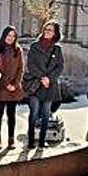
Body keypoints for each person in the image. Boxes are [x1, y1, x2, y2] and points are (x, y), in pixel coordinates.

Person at [24, 21, 64, 149]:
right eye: (46, 29)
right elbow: (30, 65)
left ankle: (42, 142)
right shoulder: (34, 46)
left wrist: (49, 79)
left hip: (50, 86)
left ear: (55, 33)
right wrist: (42, 77)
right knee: (34, 113)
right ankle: (31, 141)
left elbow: (60, 67)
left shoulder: (57, 49)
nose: (47, 31)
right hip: (35, 85)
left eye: (50, 30)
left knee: (46, 114)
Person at [0, 25, 24, 149]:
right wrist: (6, 84)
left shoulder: (18, 50)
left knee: (11, 115)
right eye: (8, 35)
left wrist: (15, 84)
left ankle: (11, 139)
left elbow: (21, 69)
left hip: (14, 89)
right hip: (0, 87)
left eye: (13, 36)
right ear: (4, 36)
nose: (10, 38)